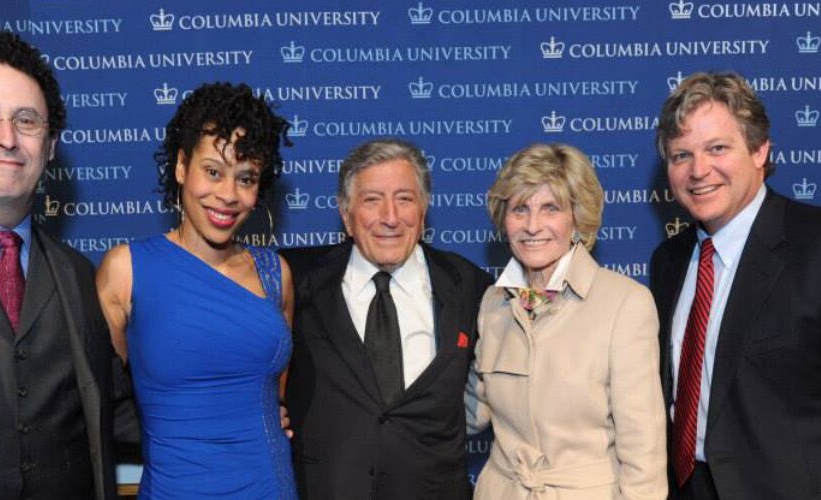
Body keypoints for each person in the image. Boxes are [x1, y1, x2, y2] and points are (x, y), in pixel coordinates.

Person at [0, 30, 132, 499]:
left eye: (27, 121)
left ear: (51, 144)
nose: (7, 138)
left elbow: (119, 410)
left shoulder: (78, 276)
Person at [96, 82, 295, 499]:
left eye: (246, 178)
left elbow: (274, 391)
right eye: (213, 171)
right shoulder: (126, 270)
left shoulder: (276, 273)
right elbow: (101, 402)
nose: (228, 195)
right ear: (182, 166)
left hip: (268, 484)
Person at [281, 138, 493, 500]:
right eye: (372, 200)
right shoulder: (294, 280)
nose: (390, 217)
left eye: (405, 198)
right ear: (346, 215)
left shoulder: (470, 285)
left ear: (423, 211)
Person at [651, 71, 821, 499]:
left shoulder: (813, 244)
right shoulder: (668, 261)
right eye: (680, 155)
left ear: (760, 149)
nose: (698, 170)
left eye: (717, 148)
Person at [466, 143, 667, 499]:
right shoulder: (493, 302)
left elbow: (643, 451)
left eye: (550, 208)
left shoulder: (625, 304)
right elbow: (471, 410)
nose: (532, 225)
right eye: (519, 209)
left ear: (577, 216)